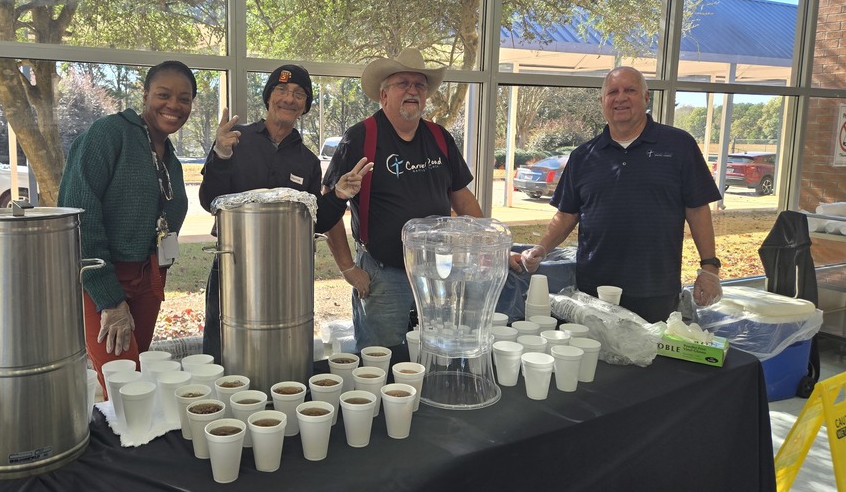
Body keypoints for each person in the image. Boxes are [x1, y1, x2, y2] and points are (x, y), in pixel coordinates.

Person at [322, 48, 522, 349]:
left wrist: (491, 249)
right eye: (403, 83)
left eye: (419, 85)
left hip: (439, 273)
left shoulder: (439, 137)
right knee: (382, 360)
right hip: (384, 275)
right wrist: (349, 268)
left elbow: (463, 199)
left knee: (435, 352)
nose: (412, 91)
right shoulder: (360, 138)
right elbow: (330, 206)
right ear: (384, 95)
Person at [520, 66, 723, 323]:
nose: (621, 98)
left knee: (653, 360)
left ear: (646, 98)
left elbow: (697, 209)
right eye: (612, 92)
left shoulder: (678, 146)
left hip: (655, 290)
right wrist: (542, 248)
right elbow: (567, 214)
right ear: (602, 101)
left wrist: (709, 268)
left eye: (630, 90)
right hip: (593, 291)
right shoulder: (583, 156)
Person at [198, 64, 372, 361]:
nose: (289, 99)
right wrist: (221, 155)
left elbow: (316, 221)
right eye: (281, 90)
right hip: (233, 265)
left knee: (281, 347)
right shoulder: (235, 140)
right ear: (268, 98)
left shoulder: (306, 161)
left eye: (299, 94)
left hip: (287, 271)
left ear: (305, 106)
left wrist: (340, 196)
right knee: (223, 344)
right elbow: (209, 200)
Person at [58, 60, 195, 391]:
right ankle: (121, 441)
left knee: (136, 377)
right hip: (103, 278)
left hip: (149, 279)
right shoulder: (109, 134)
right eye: (164, 94)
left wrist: (160, 268)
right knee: (125, 383)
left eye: (184, 99)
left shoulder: (169, 155)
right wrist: (109, 298)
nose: (174, 105)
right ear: (145, 94)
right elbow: (79, 218)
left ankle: (131, 438)